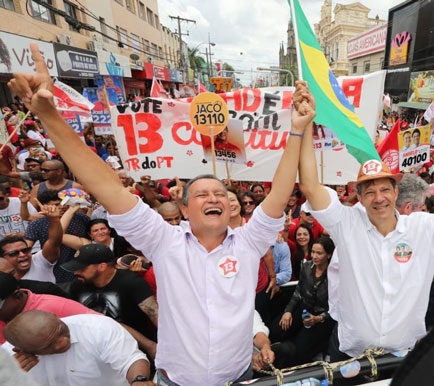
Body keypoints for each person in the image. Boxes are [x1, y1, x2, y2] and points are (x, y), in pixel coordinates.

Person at [8, 45, 312, 385]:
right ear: (183, 208)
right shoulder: (163, 241)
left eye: (220, 195)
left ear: (230, 207)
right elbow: (107, 188)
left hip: (238, 377)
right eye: (201, 194)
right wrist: (49, 115)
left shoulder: (250, 242)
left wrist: (298, 129)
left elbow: (280, 192)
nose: (214, 198)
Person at [294, 81, 434, 361]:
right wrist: (304, 127)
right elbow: (310, 185)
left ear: (396, 192)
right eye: (370, 191)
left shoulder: (424, 228)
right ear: (360, 198)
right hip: (349, 352)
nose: (379, 197)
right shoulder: (346, 223)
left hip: (401, 358)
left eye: (386, 189)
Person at [3, 310, 153, 386]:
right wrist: (12, 378)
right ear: (20, 350)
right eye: (49, 345)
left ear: (56, 317)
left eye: (61, 330)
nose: (62, 342)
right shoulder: (6, 359)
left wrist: (139, 380)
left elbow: (131, 360)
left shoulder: (97, 327)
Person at [62, 243, 158, 342]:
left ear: (102, 266)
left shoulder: (132, 282)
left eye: (82, 268)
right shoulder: (78, 285)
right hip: (92, 344)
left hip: (131, 346)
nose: (75, 272)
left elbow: (156, 316)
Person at [272, 236, 336, 366]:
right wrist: (288, 311)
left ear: (328, 255)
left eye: (319, 253)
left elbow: (338, 306)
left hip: (324, 318)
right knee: (276, 330)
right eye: (313, 252)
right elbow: (298, 291)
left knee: (300, 352)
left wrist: (318, 318)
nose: (315, 256)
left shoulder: (335, 274)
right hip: (304, 308)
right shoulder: (306, 266)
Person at [0, 204, 62, 282]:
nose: (22, 255)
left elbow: (54, 242)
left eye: (25, 250)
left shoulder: (40, 260)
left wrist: (54, 220)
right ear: (2, 258)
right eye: (14, 253)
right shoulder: (3, 278)